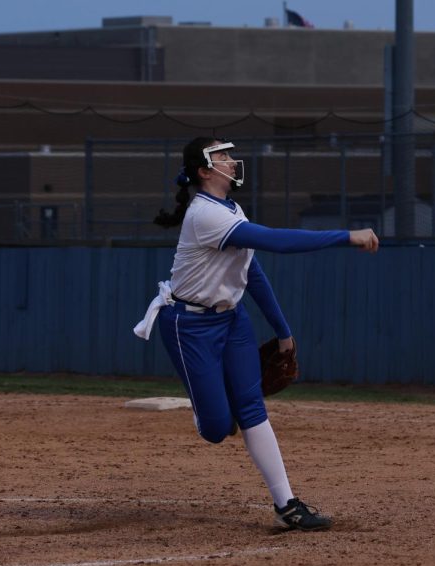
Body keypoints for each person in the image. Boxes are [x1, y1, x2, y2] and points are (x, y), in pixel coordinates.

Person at [135, 137, 379, 531]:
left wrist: (283, 330)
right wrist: (346, 236)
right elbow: (276, 240)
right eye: (223, 157)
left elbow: (252, 273)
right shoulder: (205, 215)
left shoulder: (231, 209)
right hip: (189, 326)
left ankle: (287, 505)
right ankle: (209, 409)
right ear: (204, 170)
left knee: (251, 408)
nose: (232, 161)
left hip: (232, 321)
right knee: (217, 429)